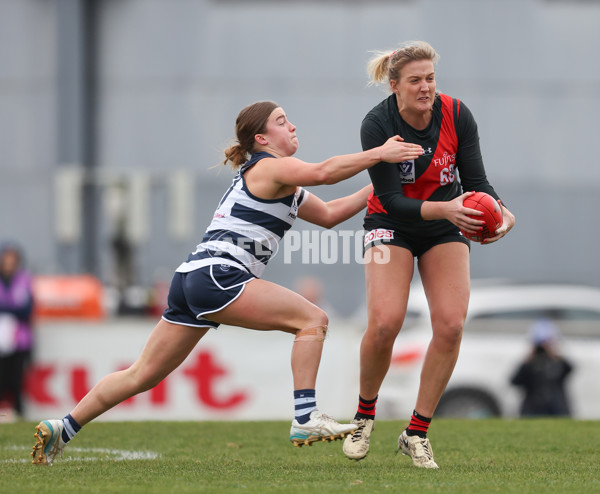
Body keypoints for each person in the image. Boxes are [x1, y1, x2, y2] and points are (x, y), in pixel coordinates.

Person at [31, 100, 424, 465]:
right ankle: (305, 415)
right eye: (282, 121)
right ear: (261, 139)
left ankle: (62, 428)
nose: (292, 126)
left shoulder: (280, 180)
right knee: (313, 320)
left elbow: (331, 214)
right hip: (220, 275)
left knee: (141, 374)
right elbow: (323, 172)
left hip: (192, 278)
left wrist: (381, 185)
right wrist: (379, 154)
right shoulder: (269, 166)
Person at [342, 41, 515, 468]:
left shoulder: (457, 114)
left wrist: (501, 212)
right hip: (389, 223)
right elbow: (391, 198)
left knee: (452, 325)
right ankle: (364, 417)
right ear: (394, 85)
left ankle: (416, 431)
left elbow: (477, 181)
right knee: (385, 323)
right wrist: (450, 208)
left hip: (442, 225)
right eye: (415, 80)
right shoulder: (377, 124)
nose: (426, 88)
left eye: (431, 78)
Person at [511, 316, 574, 417]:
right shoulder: (530, 363)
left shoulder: (557, 362)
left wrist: (555, 355)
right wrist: (527, 360)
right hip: (532, 408)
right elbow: (514, 381)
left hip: (557, 408)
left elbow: (570, 369)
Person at [0, 242, 35, 421]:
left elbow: (27, 309)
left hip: (19, 340)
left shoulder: (24, 279)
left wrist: (7, 310)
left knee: (16, 380)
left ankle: (18, 413)